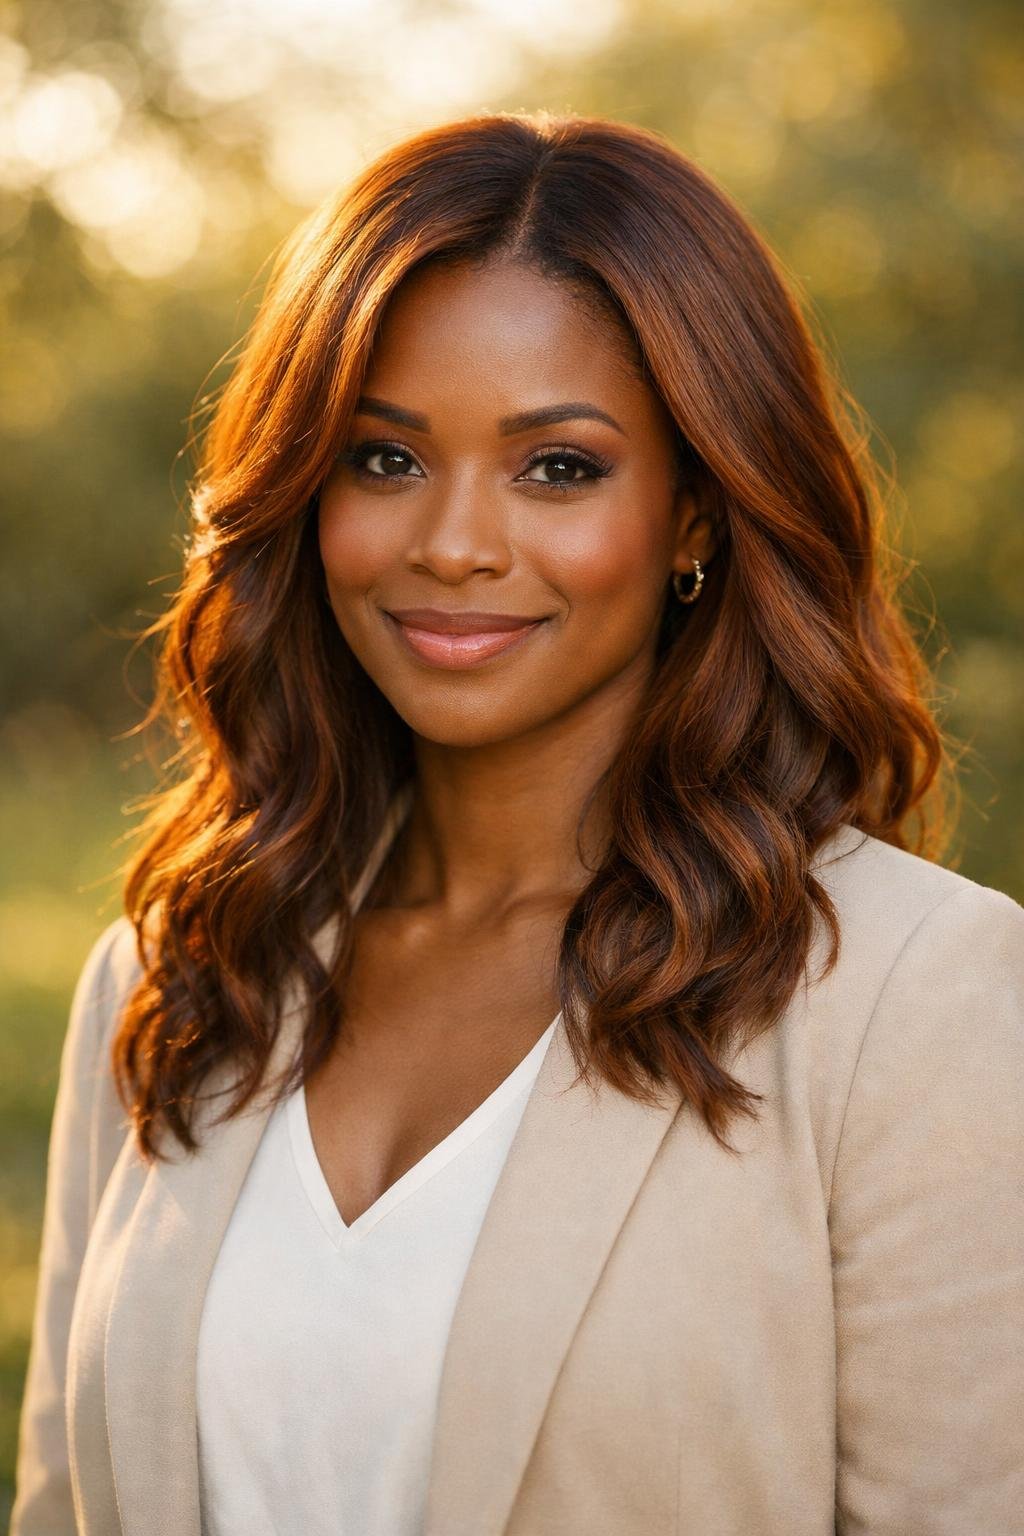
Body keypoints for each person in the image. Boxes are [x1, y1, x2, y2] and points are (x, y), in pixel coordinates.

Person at [11, 109, 1023, 1536]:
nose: (455, 544)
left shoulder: (914, 1000)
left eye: (559, 467)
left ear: (695, 515)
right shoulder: (181, 966)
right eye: (383, 460)